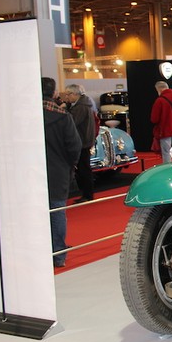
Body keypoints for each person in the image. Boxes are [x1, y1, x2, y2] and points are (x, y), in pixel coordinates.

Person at [42, 77, 82, 268]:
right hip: (58, 172)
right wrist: (70, 165)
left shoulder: (24, 115)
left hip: (30, 173)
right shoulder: (62, 115)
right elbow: (74, 146)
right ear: (54, 93)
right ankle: (58, 255)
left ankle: (38, 252)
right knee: (57, 212)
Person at [63, 84, 96, 203]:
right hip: (84, 140)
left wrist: (65, 109)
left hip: (83, 142)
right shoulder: (83, 104)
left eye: (68, 94)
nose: (66, 97)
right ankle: (87, 193)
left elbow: (72, 122)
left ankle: (87, 194)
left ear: (75, 94)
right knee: (83, 168)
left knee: (83, 169)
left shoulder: (80, 107)